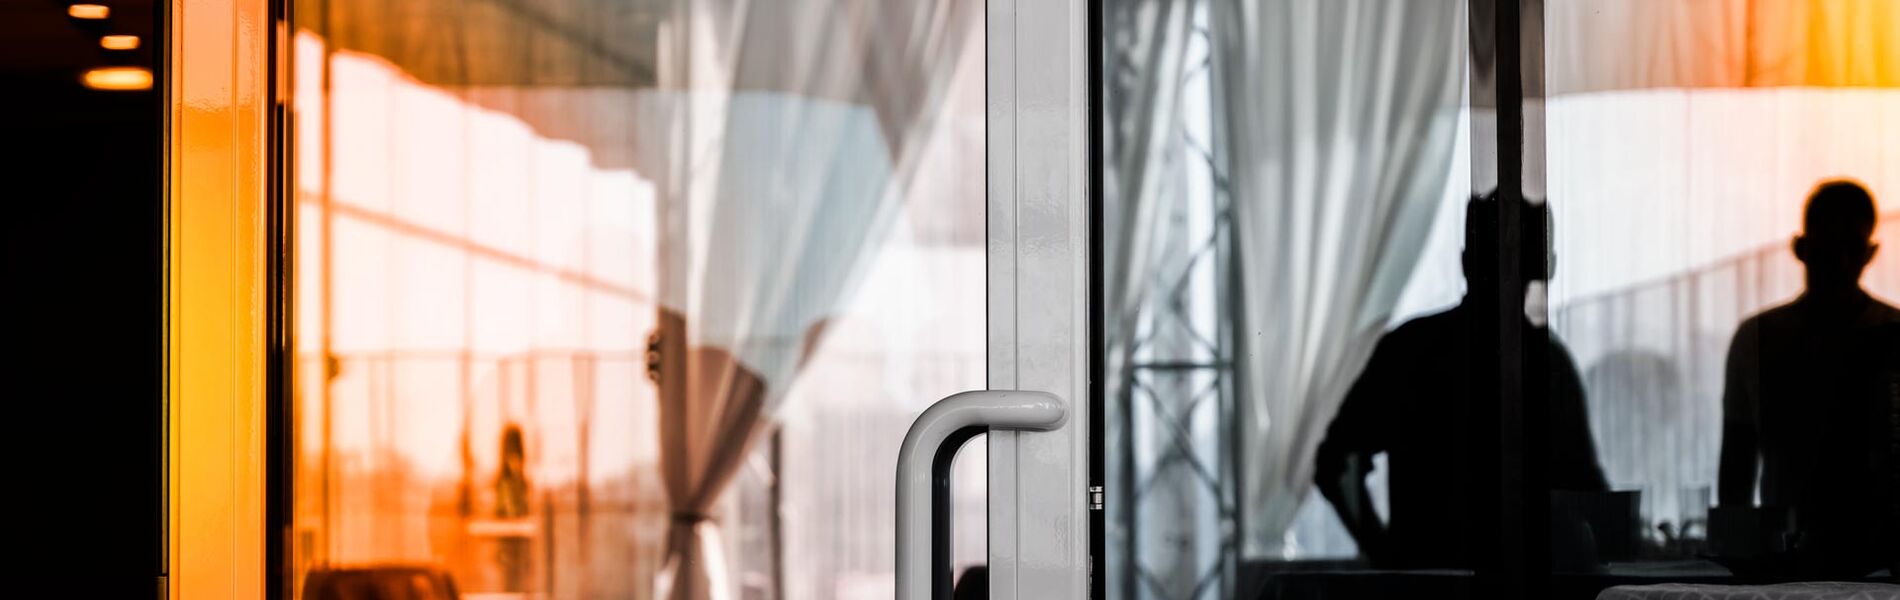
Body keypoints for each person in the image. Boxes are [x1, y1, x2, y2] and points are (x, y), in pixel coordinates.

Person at [1314, 194, 1609, 569]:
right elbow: (1589, 493)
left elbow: (1335, 462)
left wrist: (1384, 554)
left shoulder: (1411, 348)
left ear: (1466, 262)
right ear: (1546, 266)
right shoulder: (1547, 363)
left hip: (1427, 582)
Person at [1717, 179, 1898, 577]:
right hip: (1877, 557)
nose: (1841, 263)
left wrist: (1738, 557)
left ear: (1800, 249)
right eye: (1832, 249)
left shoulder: (1757, 339)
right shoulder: (1892, 332)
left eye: (1847, 249)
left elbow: (1737, 468)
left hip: (1785, 555)